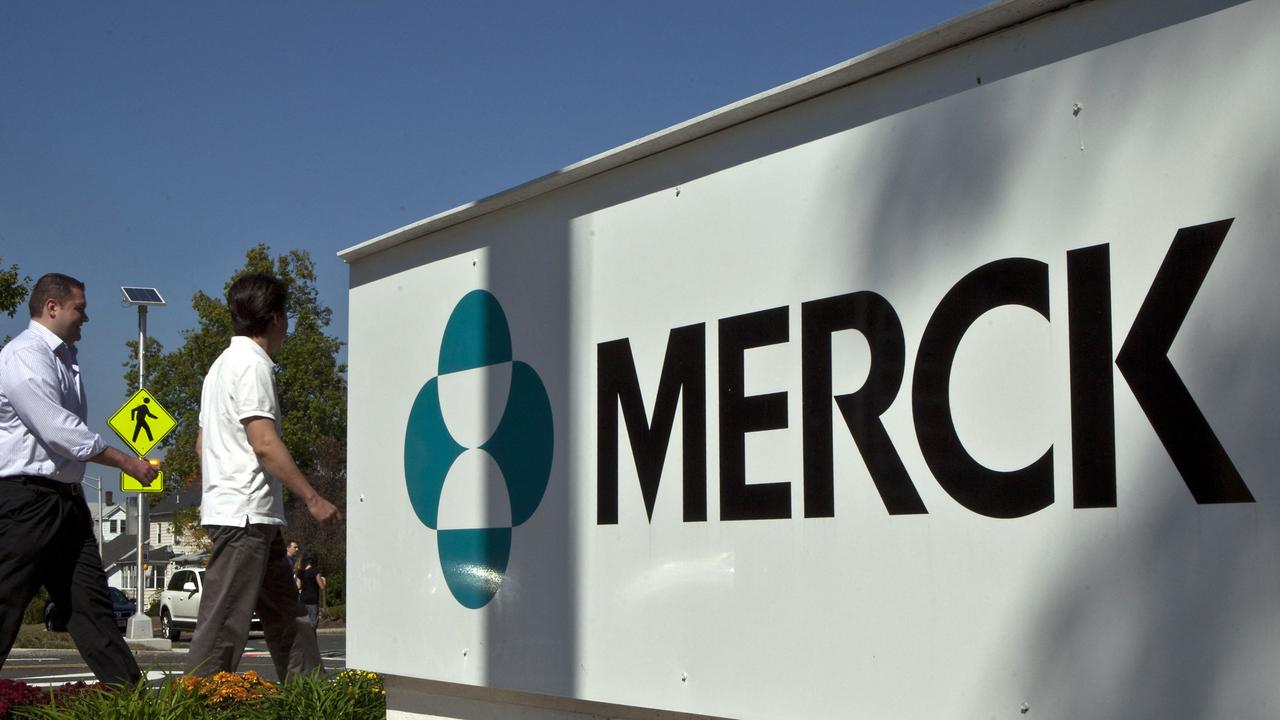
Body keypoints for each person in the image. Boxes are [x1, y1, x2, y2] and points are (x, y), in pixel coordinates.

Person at [0, 273, 160, 684]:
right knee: (6, 605)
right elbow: (59, 430)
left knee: (92, 608)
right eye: (80, 308)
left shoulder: (63, 357)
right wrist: (126, 462)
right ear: (52, 308)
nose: (86, 317)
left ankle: (130, 700)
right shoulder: (24, 355)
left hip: (65, 504)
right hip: (25, 502)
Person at [185, 273, 341, 680]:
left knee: (289, 620)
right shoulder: (253, 367)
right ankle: (193, 705)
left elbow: (202, 445)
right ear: (275, 319)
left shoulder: (218, 367)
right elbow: (265, 443)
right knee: (224, 625)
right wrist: (312, 498)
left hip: (247, 514)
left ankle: (313, 698)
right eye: (286, 315)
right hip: (246, 516)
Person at [294, 555, 326, 630]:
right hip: (312, 600)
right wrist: (324, 581)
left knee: (303, 622)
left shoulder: (300, 572)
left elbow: (298, 586)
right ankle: (312, 639)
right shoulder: (315, 571)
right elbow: (322, 586)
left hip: (303, 599)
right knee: (313, 623)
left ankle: (305, 639)